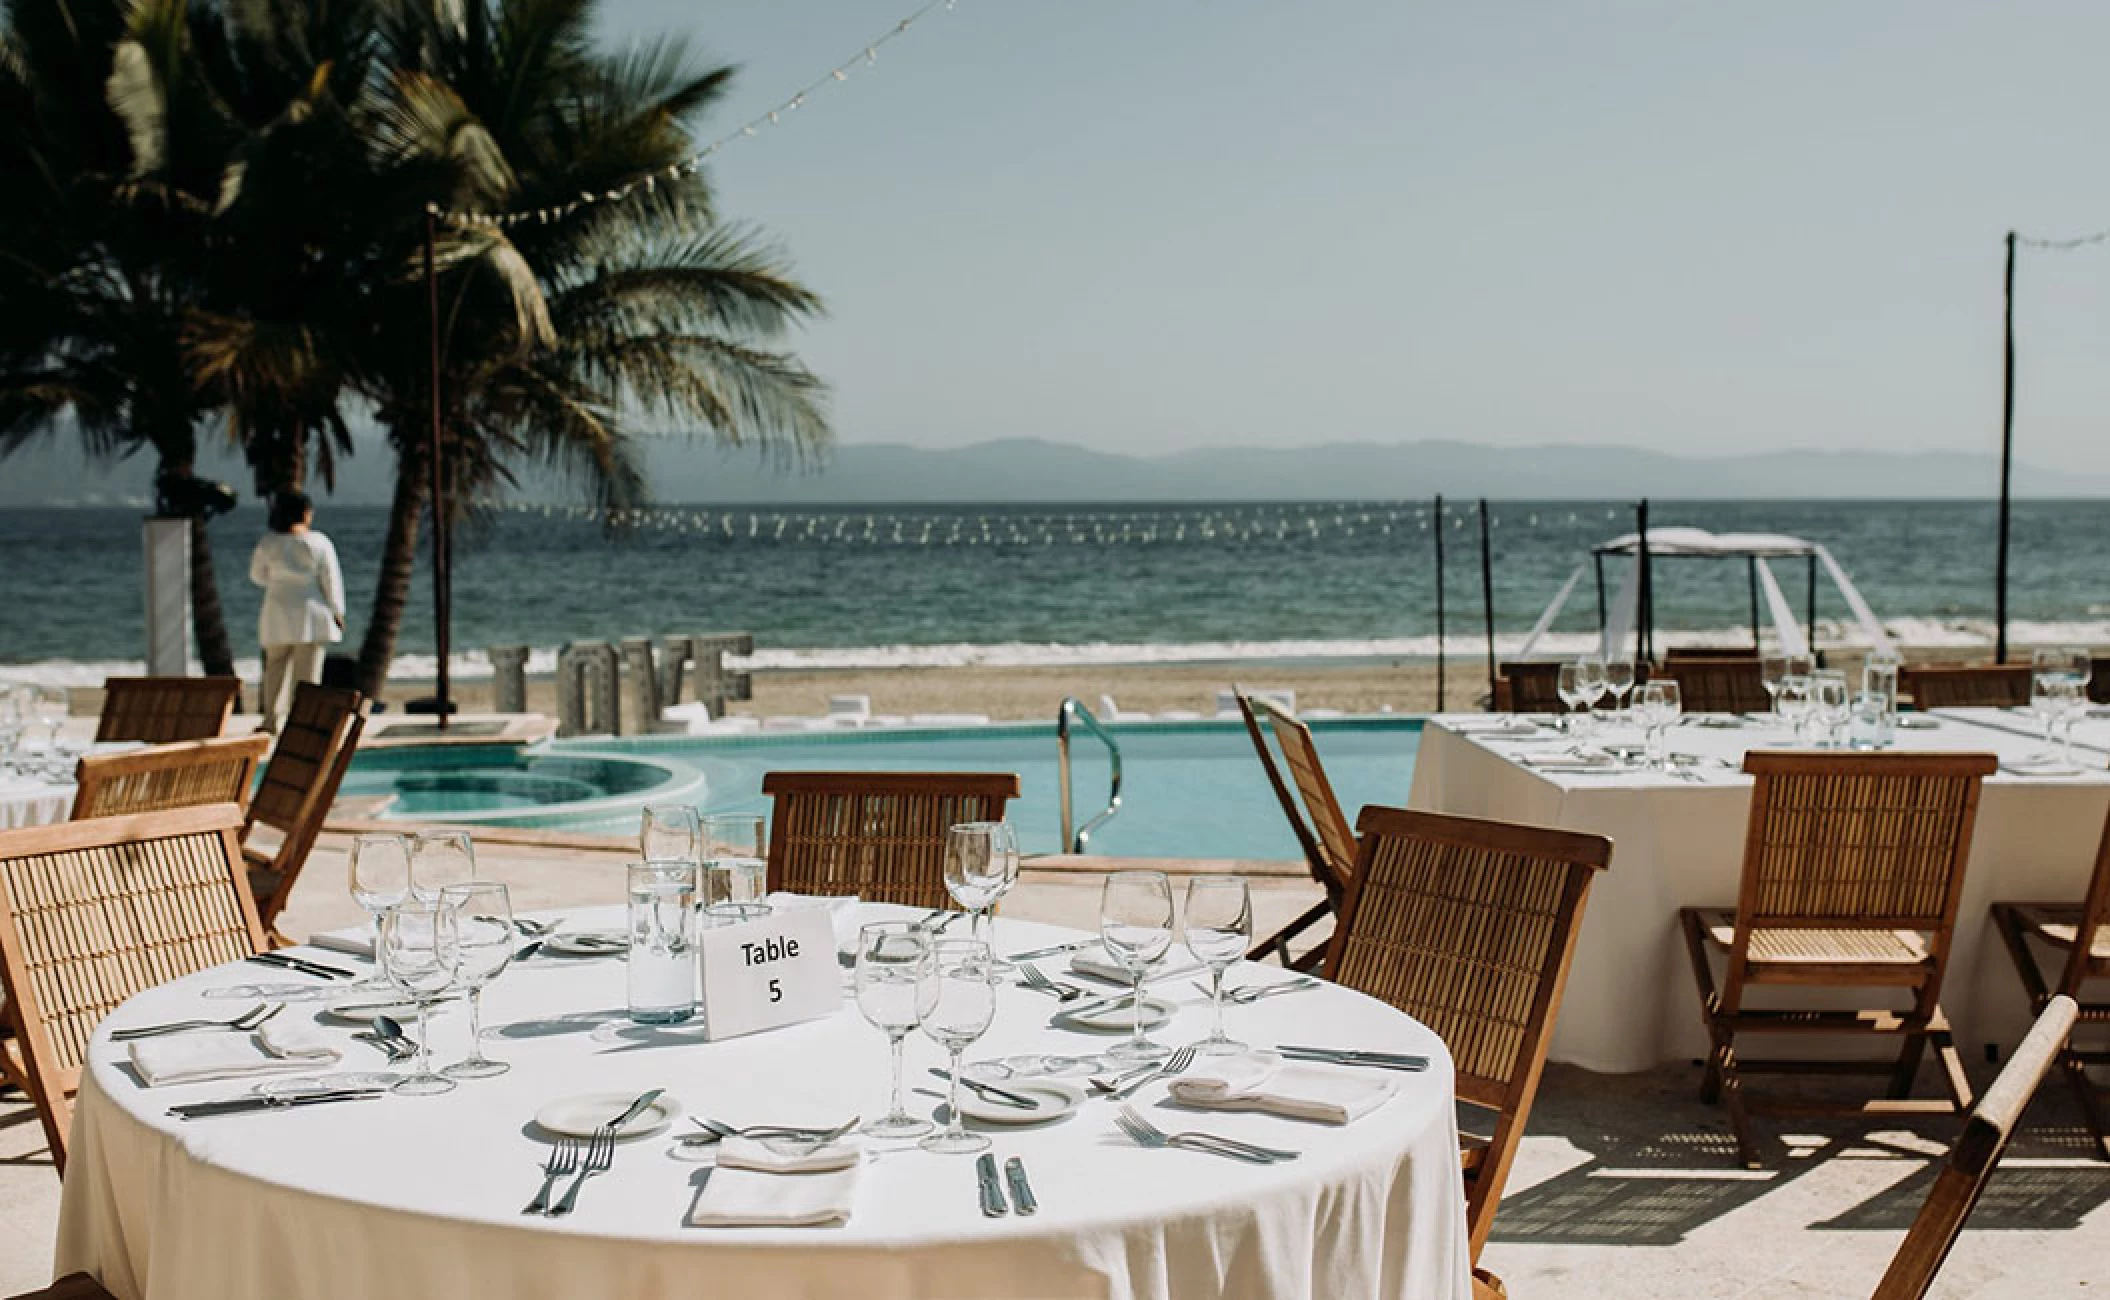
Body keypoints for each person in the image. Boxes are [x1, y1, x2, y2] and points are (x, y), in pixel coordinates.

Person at [249, 491, 346, 732]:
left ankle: (270, 720)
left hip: (277, 608)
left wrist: (278, 582)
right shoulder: (318, 542)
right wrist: (337, 610)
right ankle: (302, 722)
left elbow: (257, 576)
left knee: (274, 669)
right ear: (304, 513)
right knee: (308, 673)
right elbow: (330, 580)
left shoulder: (269, 542)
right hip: (310, 611)